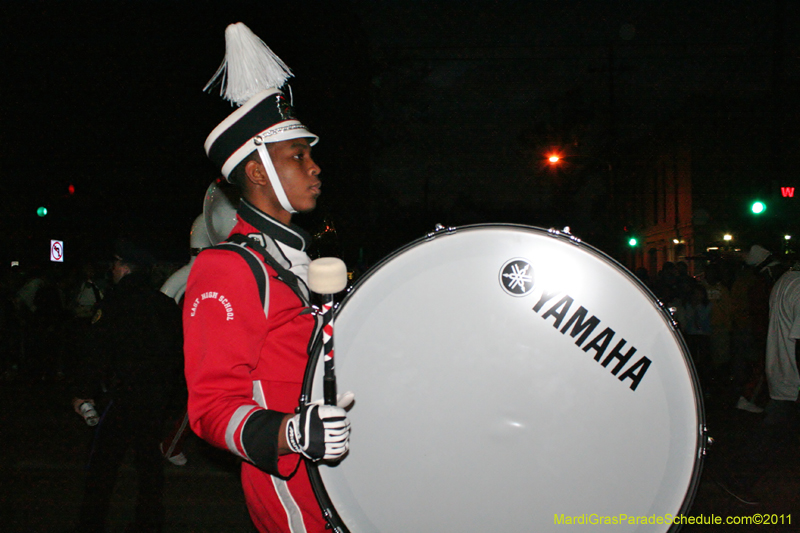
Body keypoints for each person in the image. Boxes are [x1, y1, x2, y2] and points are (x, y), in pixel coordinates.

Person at [183, 23, 351, 533]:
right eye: (298, 156)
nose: (315, 167)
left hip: (341, 484)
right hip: (293, 494)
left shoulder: (295, 260)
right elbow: (210, 408)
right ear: (258, 173)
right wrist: (290, 433)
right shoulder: (227, 267)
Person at [70, 240, 183, 533]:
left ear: (124, 267)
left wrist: (83, 392)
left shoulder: (114, 302)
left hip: (122, 396)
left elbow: (96, 352)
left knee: (102, 465)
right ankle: (150, 522)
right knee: (149, 464)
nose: (113, 269)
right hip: (154, 397)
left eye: (117, 264)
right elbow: (178, 353)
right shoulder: (164, 305)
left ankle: (91, 523)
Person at [716, 261, 800, 505]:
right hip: (793, 380)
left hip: (784, 374)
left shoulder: (787, 281)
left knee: (775, 431)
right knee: (773, 433)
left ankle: (736, 476)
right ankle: (736, 477)